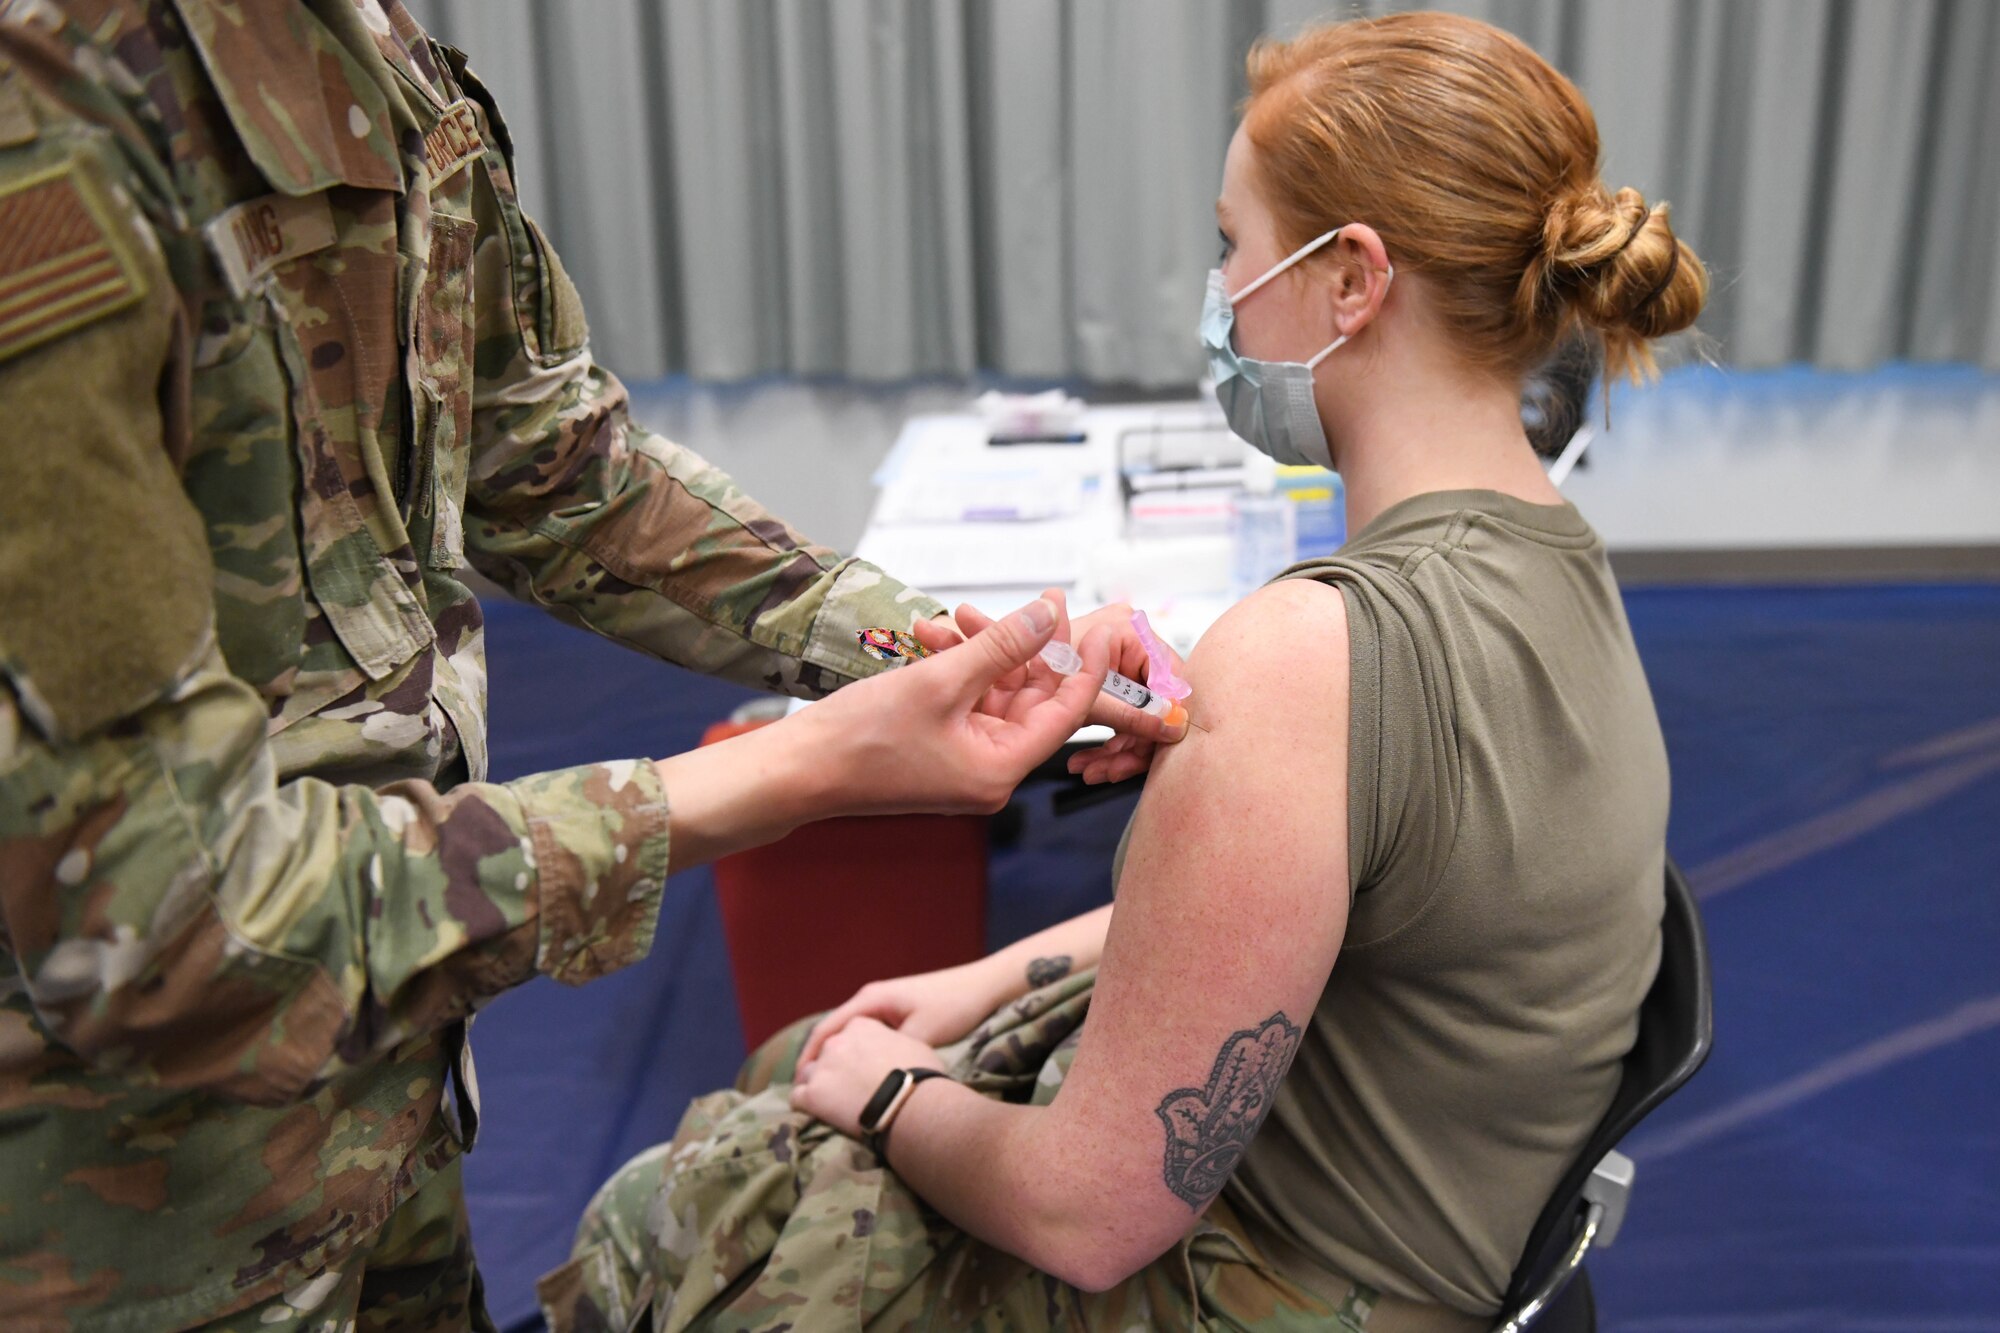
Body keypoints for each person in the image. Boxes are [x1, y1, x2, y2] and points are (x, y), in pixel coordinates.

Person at [0, 1, 1177, 1327]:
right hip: (128, 1213)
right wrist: (778, 777)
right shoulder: (50, 111)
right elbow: (169, 919)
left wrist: (936, 649)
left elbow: (552, 465)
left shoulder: (363, 42)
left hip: (388, 1098)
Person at [543, 11, 1709, 1332]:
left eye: (1232, 243)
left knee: (680, 1208)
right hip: (1444, 1234)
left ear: (1352, 281)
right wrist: (989, 977)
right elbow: (1347, 906)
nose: (1218, 288)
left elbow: (1085, 1215)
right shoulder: (1559, 557)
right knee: (804, 1079)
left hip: (1271, 1280)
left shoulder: (1306, 654)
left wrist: (883, 1089)